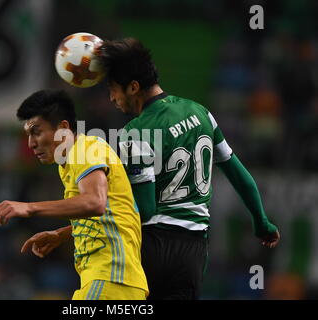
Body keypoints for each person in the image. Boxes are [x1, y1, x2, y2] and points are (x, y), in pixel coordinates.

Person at [96, 38, 280, 299]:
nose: (111, 98)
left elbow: (146, 211)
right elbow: (239, 176)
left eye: (113, 89)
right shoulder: (201, 113)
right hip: (193, 250)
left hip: (152, 246)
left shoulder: (133, 134)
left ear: (133, 87)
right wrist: (261, 221)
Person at [0, 89, 148, 300]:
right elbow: (113, 210)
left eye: (37, 132)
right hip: (113, 281)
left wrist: (30, 207)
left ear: (63, 129)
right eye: (28, 135)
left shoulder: (85, 149)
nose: (31, 143)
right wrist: (63, 234)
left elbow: (95, 202)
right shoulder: (71, 161)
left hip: (111, 278)